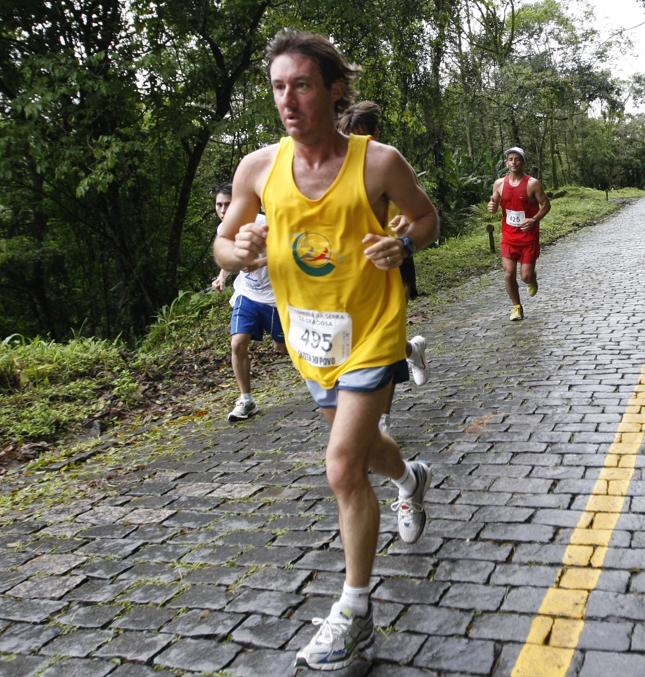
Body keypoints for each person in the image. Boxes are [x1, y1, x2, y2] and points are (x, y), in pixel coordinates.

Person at [213, 29, 439, 672]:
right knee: (363, 449)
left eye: (303, 85)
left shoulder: (378, 163)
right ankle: (410, 477)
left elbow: (427, 218)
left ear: (335, 90)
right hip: (310, 340)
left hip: (373, 332)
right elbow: (223, 243)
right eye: (278, 87)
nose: (288, 100)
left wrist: (404, 244)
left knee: (341, 466)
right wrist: (239, 251)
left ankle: (355, 615)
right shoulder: (259, 168)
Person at [338, 101, 429, 435]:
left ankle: (381, 421)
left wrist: (406, 225)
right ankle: (413, 350)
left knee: (385, 343)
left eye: (364, 137)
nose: (358, 145)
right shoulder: (335, 172)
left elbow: (420, 212)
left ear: (375, 134)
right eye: (350, 137)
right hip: (352, 271)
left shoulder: (391, 164)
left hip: (394, 260)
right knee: (365, 341)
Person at [210, 182, 285, 422]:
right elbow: (229, 255)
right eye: (219, 205)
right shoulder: (224, 229)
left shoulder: (263, 223)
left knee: (284, 348)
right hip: (248, 294)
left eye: (228, 204)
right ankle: (246, 400)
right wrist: (222, 277)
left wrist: (258, 263)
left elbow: (286, 250)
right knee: (238, 344)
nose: (223, 210)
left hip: (276, 297)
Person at [487, 146, 551, 322]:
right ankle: (516, 307)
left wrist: (534, 220)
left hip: (528, 236)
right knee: (508, 273)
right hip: (509, 236)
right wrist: (491, 207)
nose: (513, 162)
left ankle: (532, 279)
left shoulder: (532, 184)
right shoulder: (499, 184)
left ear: (523, 162)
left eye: (517, 159)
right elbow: (494, 203)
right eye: (510, 159)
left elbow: (546, 205)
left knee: (525, 276)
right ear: (506, 163)